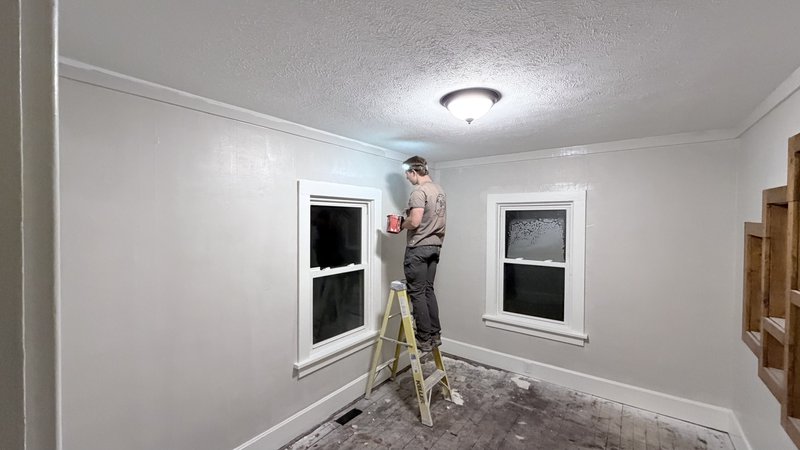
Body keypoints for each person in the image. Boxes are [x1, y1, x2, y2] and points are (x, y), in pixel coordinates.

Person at [399, 156, 446, 352]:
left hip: (418, 248)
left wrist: (401, 224)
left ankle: (424, 339)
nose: (407, 178)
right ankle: (435, 334)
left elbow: (415, 222)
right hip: (434, 247)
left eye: (407, 174)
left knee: (417, 293)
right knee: (428, 290)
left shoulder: (419, 192)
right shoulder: (438, 190)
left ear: (413, 172)